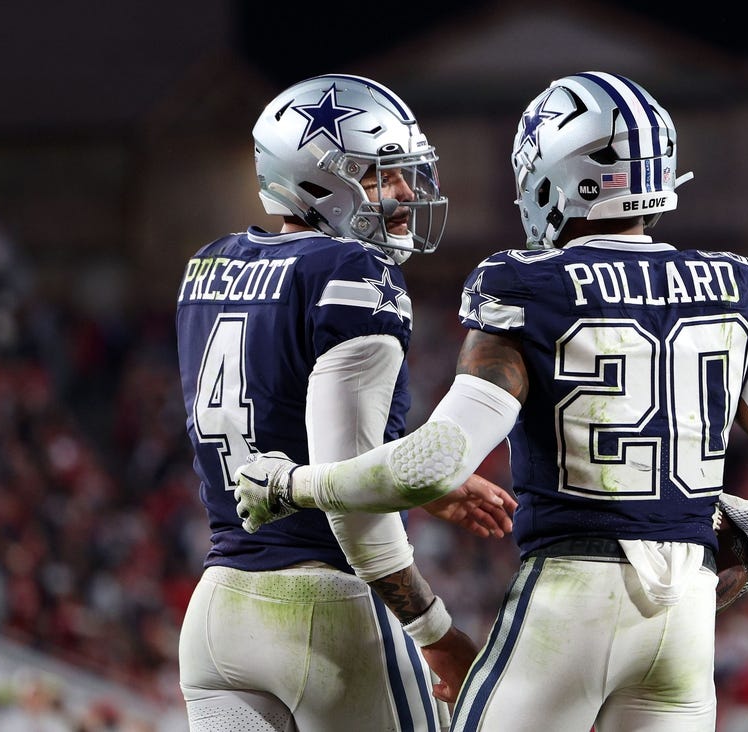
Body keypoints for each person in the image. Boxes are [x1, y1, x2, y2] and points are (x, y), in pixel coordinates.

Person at [233, 71, 748, 731]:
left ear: (557, 174)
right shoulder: (732, 283)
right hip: (684, 620)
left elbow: (436, 461)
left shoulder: (524, 285)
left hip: (571, 605)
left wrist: (294, 484)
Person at [175, 73, 515, 731]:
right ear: (316, 179)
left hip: (218, 615)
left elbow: (288, 430)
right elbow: (347, 506)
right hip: (326, 612)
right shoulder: (353, 273)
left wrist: (410, 486)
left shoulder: (210, 265)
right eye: (381, 175)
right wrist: (436, 631)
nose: (405, 194)